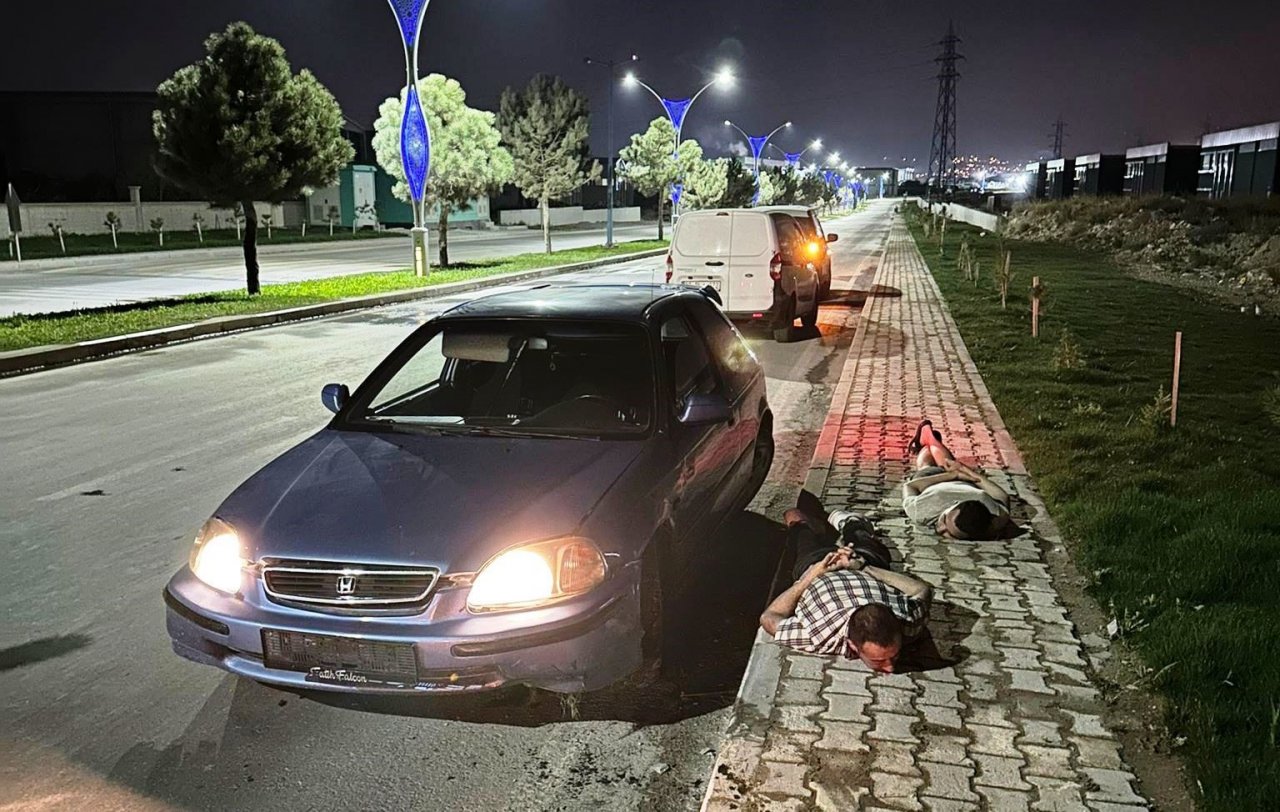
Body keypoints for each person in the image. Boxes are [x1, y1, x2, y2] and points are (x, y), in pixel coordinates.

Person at [759, 497, 933, 673]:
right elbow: (922, 589)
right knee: (794, 516)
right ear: (852, 645)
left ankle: (835, 524)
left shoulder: (905, 622)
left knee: (798, 529)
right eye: (878, 661)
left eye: (894, 656)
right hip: (840, 565)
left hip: (821, 567)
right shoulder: (819, 636)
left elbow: (769, 617)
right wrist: (860, 566)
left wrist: (814, 574)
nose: (890, 667)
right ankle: (841, 525)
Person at [903, 419, 1014, 540]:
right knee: (926, 466)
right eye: (944, 519)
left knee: (945, 461)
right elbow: (910, 486)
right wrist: (958, 472)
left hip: (961, 481)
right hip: (932, 483)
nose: (940, 529)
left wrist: (959, 472)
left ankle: (930, 439)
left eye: (949, 533)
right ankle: (927, 440)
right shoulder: (923, 508)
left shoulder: (990, 512)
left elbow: (1003, 497)